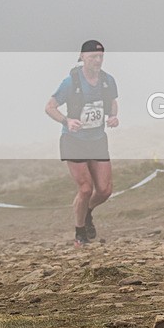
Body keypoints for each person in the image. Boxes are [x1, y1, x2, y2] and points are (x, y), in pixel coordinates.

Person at [45, 40, 119, 247]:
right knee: (85, 189)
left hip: (97, 140)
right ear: (82, 57)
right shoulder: (71, 82)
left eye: (100, 57)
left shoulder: (108, 80)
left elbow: (112, 102)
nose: (97, 60)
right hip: (73, 140)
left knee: (104, 190)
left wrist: (113, 117)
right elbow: (50, 107)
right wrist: (66, 121)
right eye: (92, 57)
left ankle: (87, 211)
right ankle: (80, 233)